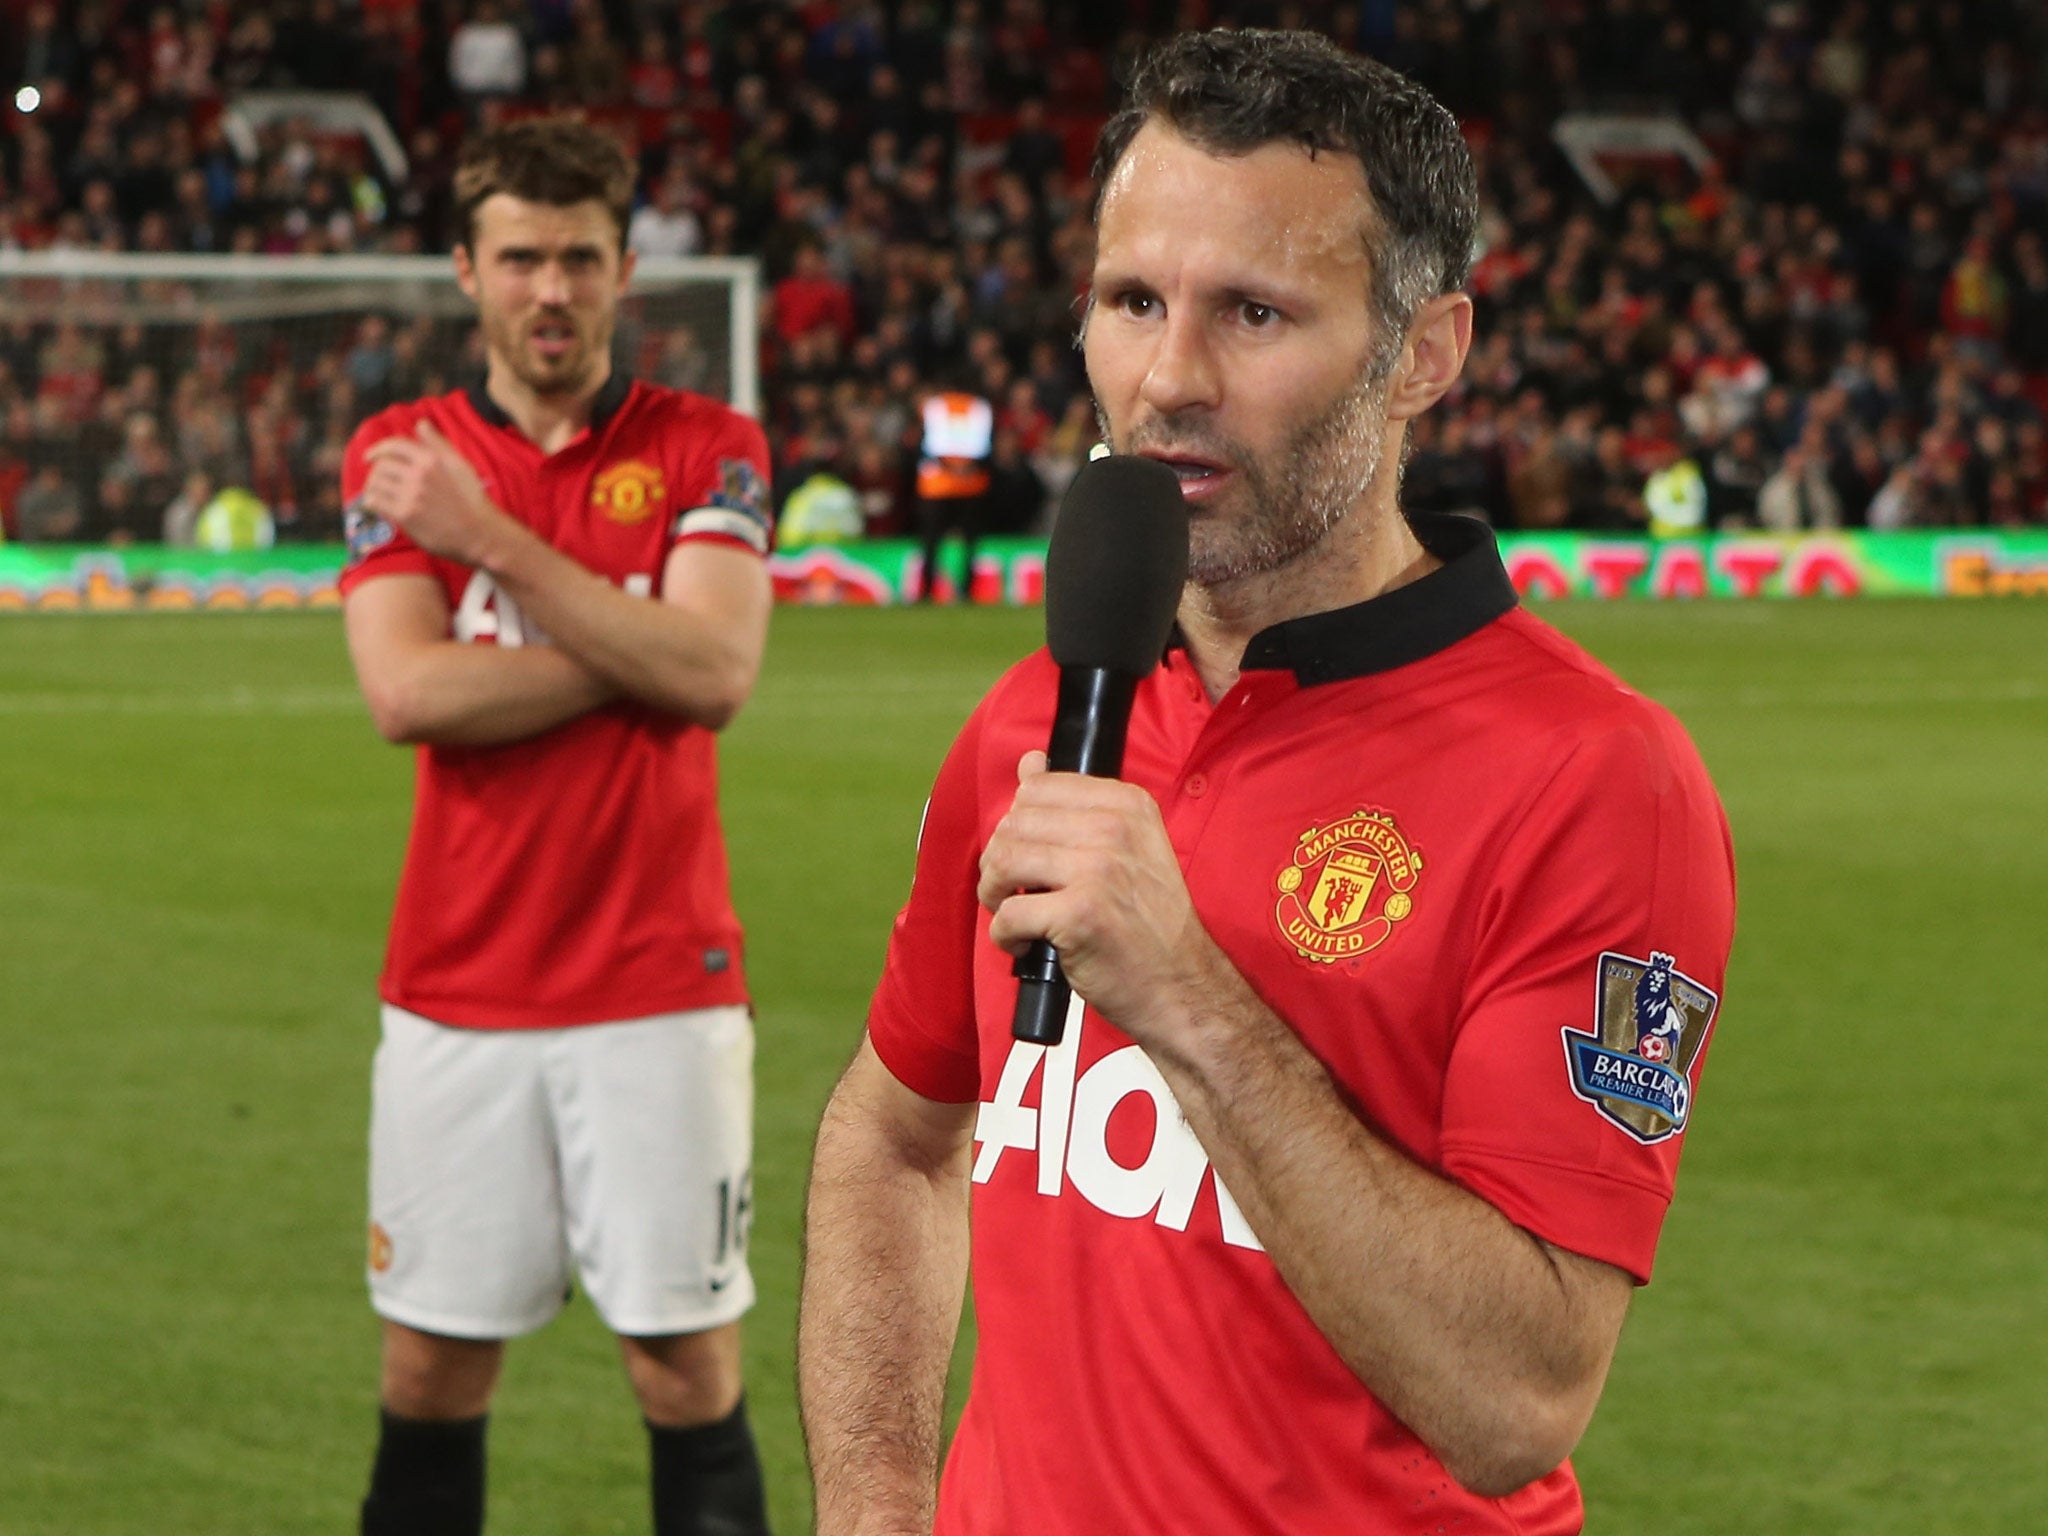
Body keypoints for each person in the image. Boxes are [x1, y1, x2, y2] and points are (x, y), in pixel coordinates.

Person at [799, 30, 1734, 1536]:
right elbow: (893, 1133)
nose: (1168, 378)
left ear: (1422, 354)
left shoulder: (1592, 778)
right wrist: (873, 1501)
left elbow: (1515, 1403)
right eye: (1132, 302)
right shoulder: (1040, 711)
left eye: (1253, 311)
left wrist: (1186, 998)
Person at [338, 117, 774, 1536]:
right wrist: (639, 642)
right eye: (519, 257)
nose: (551, 290)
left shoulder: (710, 448)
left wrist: (496, 546)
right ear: (465, 269)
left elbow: (716, 677)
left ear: (625, 269)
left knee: (685, 1366)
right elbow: (408, 690)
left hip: (658, 988)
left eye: (580, 258)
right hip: (456, 990)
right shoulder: (395, 457)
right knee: (429, 1365)